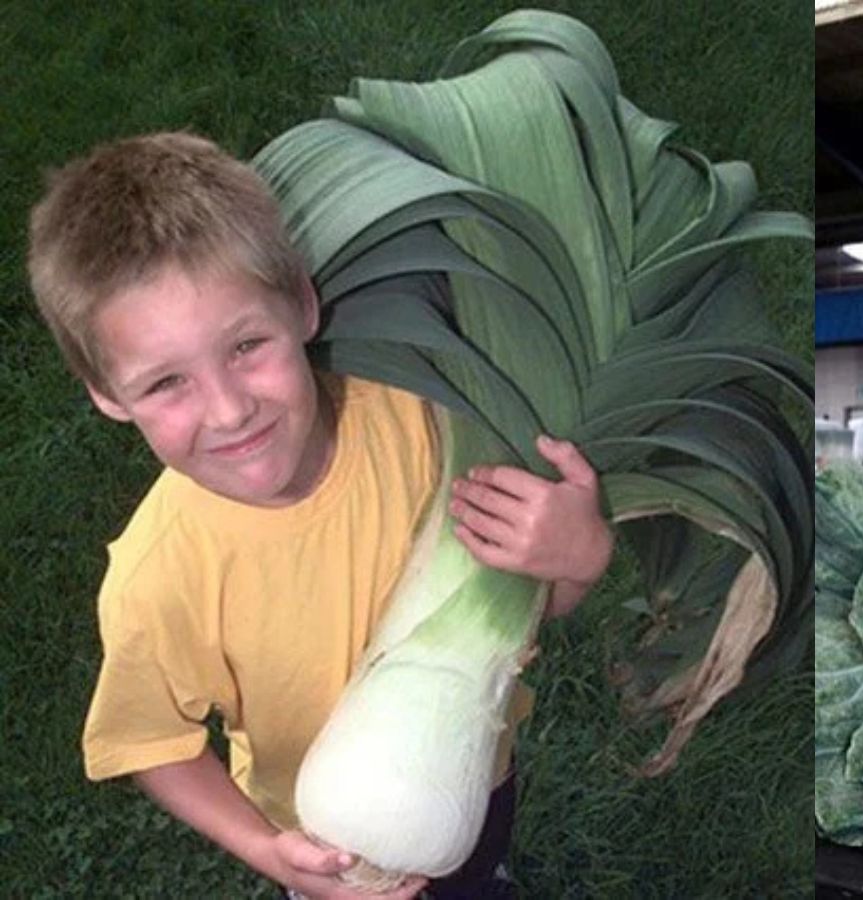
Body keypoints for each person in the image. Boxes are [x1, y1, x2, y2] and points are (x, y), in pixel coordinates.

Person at [26, 132, 615, 900]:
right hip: (322, 844)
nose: (230, 410)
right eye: (167, 383)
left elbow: (514, 607)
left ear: (303, 305)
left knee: (475, 877)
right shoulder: (157, 579)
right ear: (108, 396)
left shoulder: (427, 423)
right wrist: (265, 849)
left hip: (475, 775)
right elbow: (152, 745)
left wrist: (578, 560)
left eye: (247, 345)